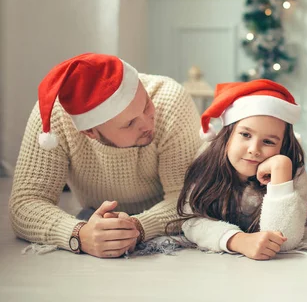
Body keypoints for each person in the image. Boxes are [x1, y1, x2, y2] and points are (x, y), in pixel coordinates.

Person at [9, 53, 201, 258]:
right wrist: (79, 234)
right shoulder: (53, 118)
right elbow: (25, 202)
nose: (147, 123)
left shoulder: (170, 99)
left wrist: (135, 227)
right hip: (92, 217)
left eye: (146, 105)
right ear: (90, 132)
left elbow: (189, 198)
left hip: (159, 218)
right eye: (129, 123)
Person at [176, 79, 307, 260]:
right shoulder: (207, 159)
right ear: (228, 134)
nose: (254, 149)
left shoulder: (293, 168)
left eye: (268, 141)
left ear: (283, 145)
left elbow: (285, 241)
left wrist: (280, 169)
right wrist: (238, 240)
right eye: (245, 134)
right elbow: (190, 220)